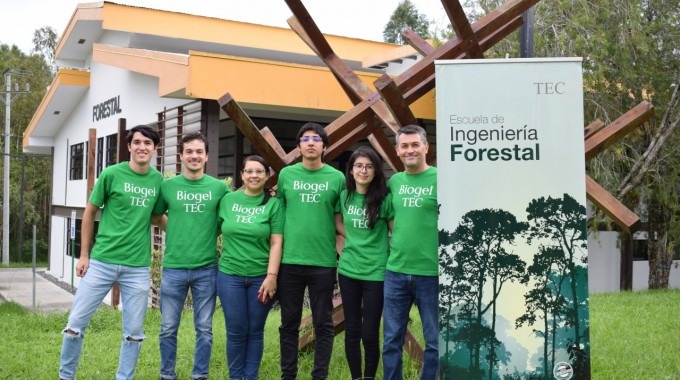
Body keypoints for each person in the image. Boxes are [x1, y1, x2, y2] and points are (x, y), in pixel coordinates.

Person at [58, 125, 163, 380]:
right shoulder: (112, 174)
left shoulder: (158, 180)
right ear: (129, 147)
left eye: (147, 143)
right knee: (75, 325)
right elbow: (89, 212)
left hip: (137, 267)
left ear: (154, 149)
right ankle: (65, 376)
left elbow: (157, 216)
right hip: (102, 261)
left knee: (134, 333)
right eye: (137, 142)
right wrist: (84, 255)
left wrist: (190, 228)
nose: (142, 147)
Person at [152, 131, 229, 380]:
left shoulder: (219, 188)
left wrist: (209, 231)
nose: (194, 156)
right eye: (189, 152)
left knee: (205, 329)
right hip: (173, 267)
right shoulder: (167, 186)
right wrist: (173, 228)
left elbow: (227, 220)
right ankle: (167, 375)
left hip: (206, 268)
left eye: (199, 152)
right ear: (181, 156)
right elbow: (156, 215)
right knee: (167, 329)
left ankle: (200, 376)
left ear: (206, 156)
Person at [277, 122, 345, 380]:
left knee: (323, 324)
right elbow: (280, 215)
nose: (311, 143)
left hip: (323, 262)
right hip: (290, 261)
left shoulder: (336, 178)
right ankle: (288, 376)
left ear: (324, 146)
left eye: (316, 139)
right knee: (289, 325)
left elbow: (339, 221)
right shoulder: (287, 176)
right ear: (298, 146)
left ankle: (320, 376)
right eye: (305, 139)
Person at [217, 155, 284, 380]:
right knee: (236, 331)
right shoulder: (228, 200)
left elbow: (276, 242)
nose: (254, 176)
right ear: (242, 175)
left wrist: (271, 276)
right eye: (249, 171)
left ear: (267, 175)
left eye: (259, 172)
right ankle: (236, 377)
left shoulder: (274, 204)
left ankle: (251, 376)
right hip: (230, 276)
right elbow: (213, 230)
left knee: (255, 331)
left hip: (261, 278)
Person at [382, 124, 439, 380]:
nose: (410, 150)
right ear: (397, 151)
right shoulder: (394, 181)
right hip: (396, 271)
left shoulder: (441, 179)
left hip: (432, 272)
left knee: (435, 342)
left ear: (426, 147)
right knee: (392, 340)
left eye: (415, 144)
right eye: (404, 145)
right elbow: (393, 220)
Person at [335, 147, 392, 380]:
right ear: (351, 170)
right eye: (358, 166)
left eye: (369, 166)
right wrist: (353, 239)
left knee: (369, 333)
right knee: (352, 330)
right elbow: (337, 222)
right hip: (348, 271)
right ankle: (356, 377)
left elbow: (394, 231)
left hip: (376, 272)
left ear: (376, 171)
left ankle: (369, 377)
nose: (363, 170)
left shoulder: (384, 198)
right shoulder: (344, 196)